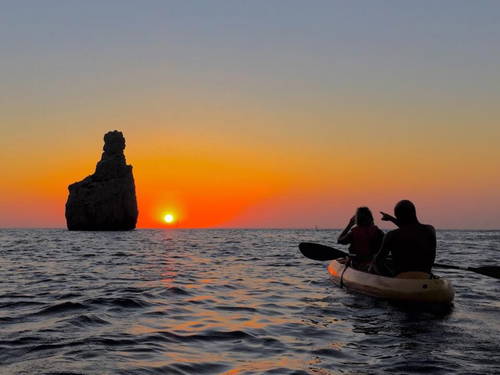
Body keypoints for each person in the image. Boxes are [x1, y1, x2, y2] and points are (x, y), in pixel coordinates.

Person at [371, 200, 436, 277]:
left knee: (375, 261)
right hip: (425, 277)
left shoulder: (391, 235)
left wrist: (391, 278)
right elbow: (411, 229)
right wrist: (391, 219)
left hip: (401, 279)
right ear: (414, 213)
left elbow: (378, 263)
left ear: (398, 216)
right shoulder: (430, 230)